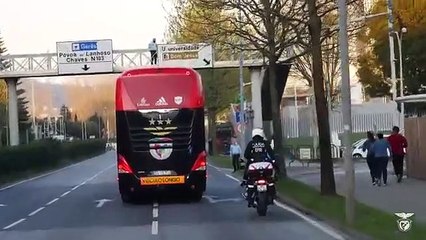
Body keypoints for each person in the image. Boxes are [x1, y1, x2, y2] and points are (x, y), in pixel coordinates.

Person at [241, 128, 276, 207]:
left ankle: (249, 196)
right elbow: (271, 154)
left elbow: (246, 155)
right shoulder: (266, 143)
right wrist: (273, 161)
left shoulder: (251, 143)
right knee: (270, 179)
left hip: (254, 167)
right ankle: (271, 195)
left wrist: (251, 158)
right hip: (265, 166)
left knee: (250, 180)